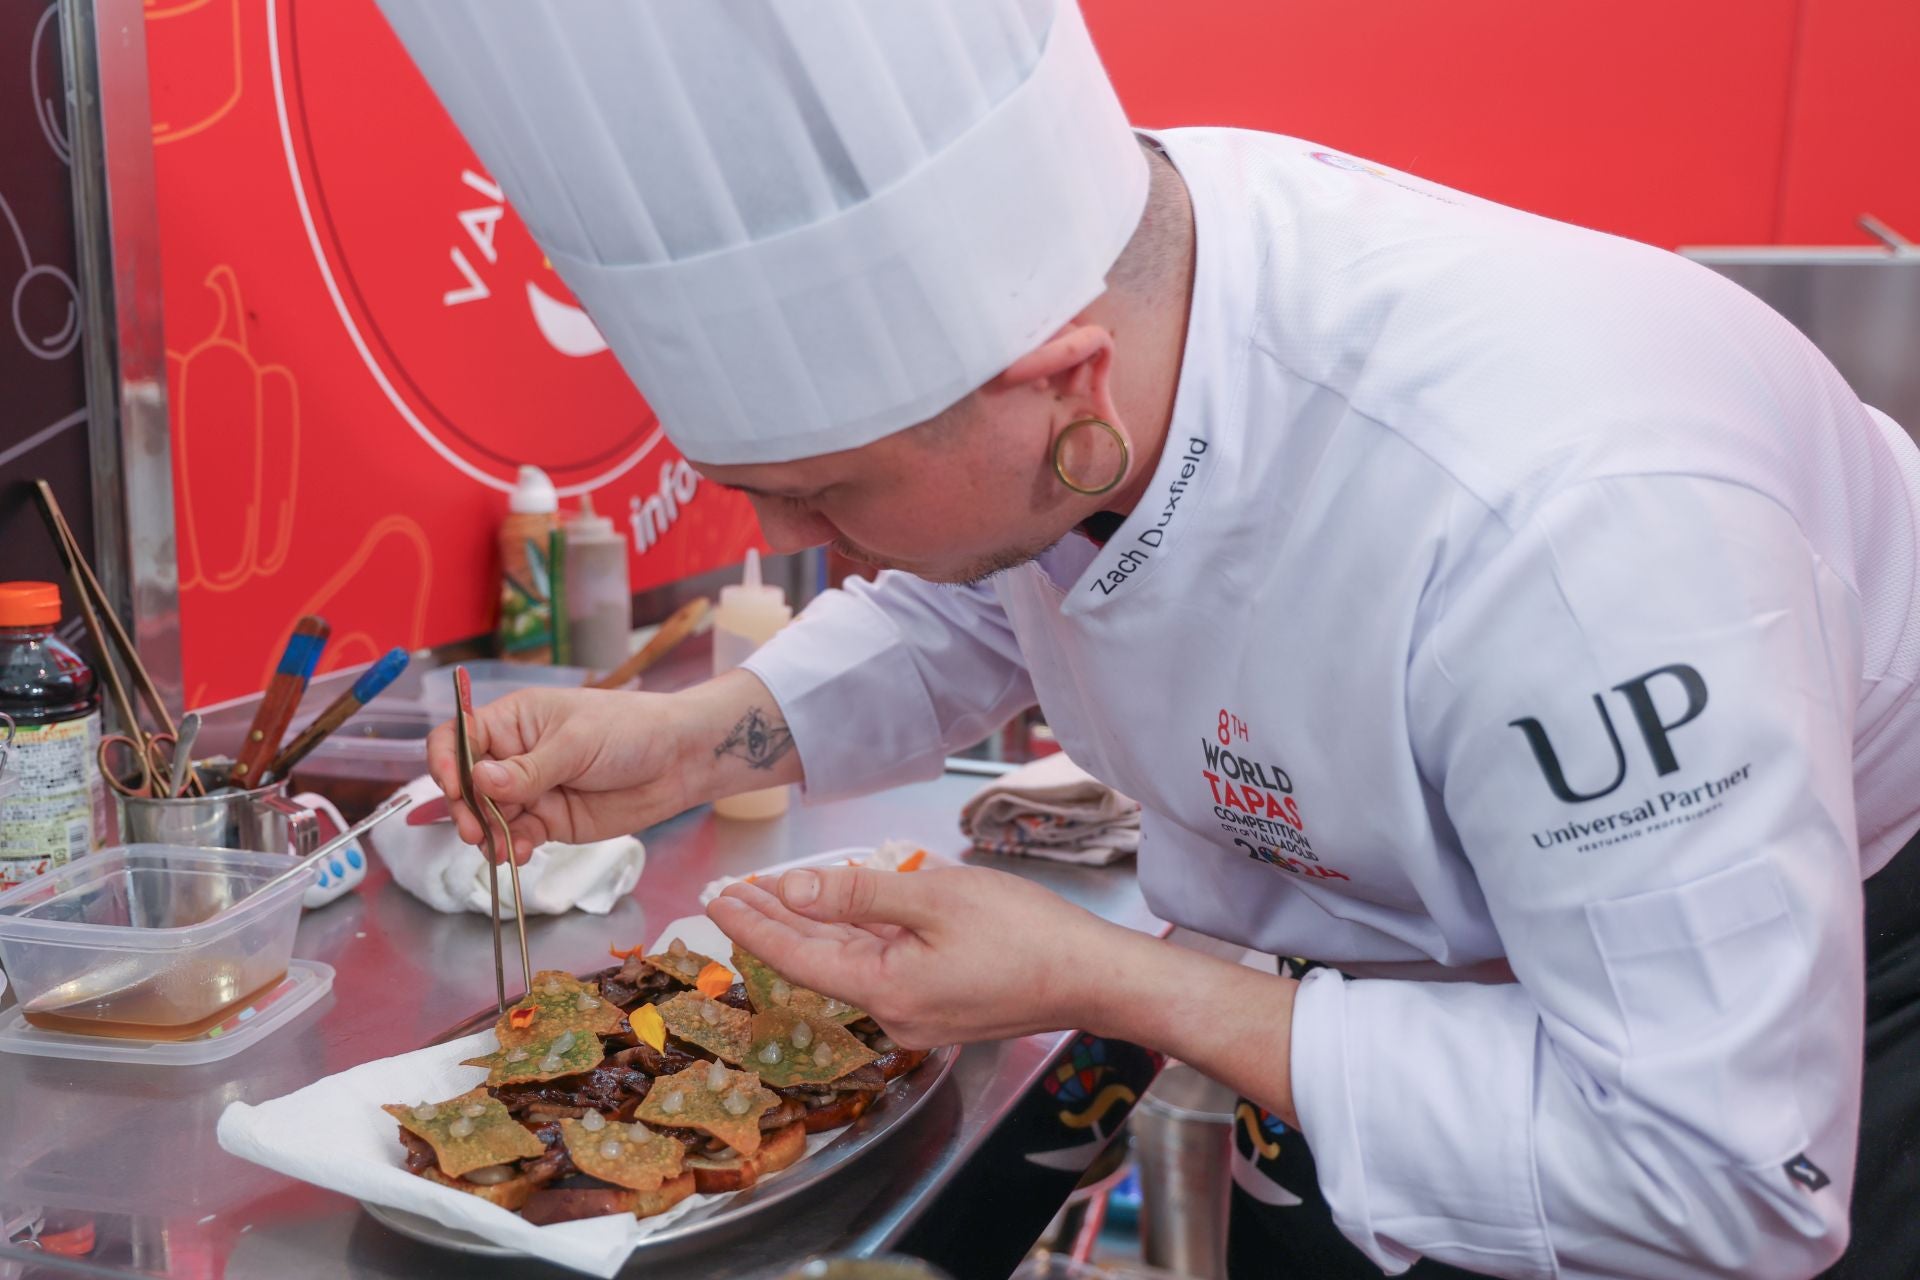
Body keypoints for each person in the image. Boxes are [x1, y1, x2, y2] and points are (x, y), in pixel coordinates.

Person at [387, 3, 1920, 1276]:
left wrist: (1107, 979)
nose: (818, 554)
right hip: (1356, 980)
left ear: (1068, 389)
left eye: (832, 496)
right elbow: (987, 570)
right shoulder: (1130, 318)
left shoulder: (1578, 528)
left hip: (1804, 957)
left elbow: (1723, 1178)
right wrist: (690, 741)